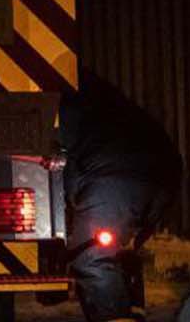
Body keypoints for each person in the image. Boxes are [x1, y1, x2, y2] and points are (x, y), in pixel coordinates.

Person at [59, 70, 183, 322]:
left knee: (91, 260)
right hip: (159, 171)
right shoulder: (92, 90)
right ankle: (131, 311)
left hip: (115, 176)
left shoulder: (60, 98)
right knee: (116, 251)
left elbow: (59, 155)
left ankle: (116, 317)